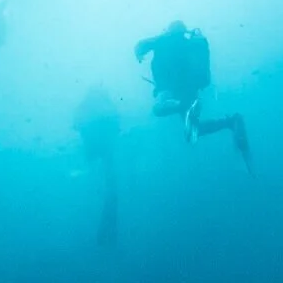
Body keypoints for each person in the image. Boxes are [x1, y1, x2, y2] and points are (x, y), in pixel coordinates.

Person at [132, 21, 250, 166]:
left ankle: (181, 106)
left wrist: (139, 55)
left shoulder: (162, 40)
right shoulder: (190, 44)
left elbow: (140, 45)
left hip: (170, 91)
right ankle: (231, 121)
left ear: (168, 31)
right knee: (193, 131)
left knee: (159, 110)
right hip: (189, 91)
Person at [73, 85, 122, 247]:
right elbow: (116, 123)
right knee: (109, 185)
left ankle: (97, 224)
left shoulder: (86, 103)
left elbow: (76, 123)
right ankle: (109, 229)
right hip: (105, 149)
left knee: (95, 182)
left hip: (93, 149)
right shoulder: (105, 102)